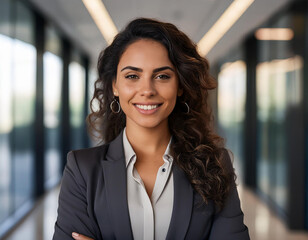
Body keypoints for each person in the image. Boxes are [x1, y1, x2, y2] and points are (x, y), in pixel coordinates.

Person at [52, 18, 250, 240]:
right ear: (115, 85)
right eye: (132, 76)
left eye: (162, 76)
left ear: (180, 86)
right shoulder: (83, 170)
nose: (147, 90)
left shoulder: (215, 164)